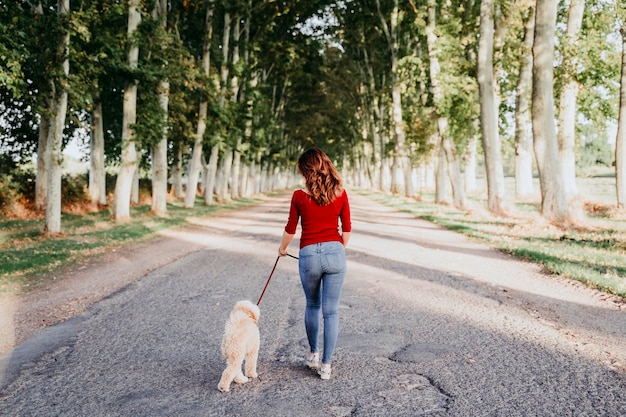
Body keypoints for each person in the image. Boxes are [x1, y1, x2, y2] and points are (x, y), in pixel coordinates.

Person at [278, 147, 351, 381]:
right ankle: (327, 366)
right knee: (331, 312)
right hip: (335, 252)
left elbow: (291, 228)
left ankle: (313, 354)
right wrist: (336, 249)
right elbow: (346, 229)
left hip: (308, 253)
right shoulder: (341, 193)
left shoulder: (299, 196)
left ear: (306, 171)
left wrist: (282, 249)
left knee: (312, 304)